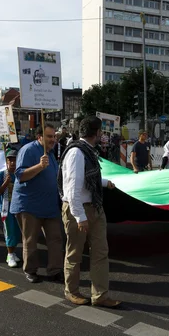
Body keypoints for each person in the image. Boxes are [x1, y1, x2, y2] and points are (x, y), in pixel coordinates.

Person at [58, 116, 121, 308]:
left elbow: (86, 180)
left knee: (100, 252)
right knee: (75, 254)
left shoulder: (87, 151)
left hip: (94, 206)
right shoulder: (77, 152)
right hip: (79, 209)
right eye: (101, 131)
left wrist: (104, 183)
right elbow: (72, 189)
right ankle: (72, 291)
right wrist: (80, 217)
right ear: (98, 133)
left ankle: (100, 295)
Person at [11, 123, 64, 284]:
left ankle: (55, 270)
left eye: (54, 136)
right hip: (29, 206)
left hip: (50, 205)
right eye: (49, 136)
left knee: (55, 239)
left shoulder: (52, 153)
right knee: (30, 240)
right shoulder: (28, 150)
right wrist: (40, 166)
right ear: (39, 137)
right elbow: (20, 175)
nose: (53, 139)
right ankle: (31, 270)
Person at [0, 150, 22, 268]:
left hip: (19, 207)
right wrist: (5, 183)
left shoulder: (20, 173)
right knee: (10, 230)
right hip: (7, 207)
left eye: (14, 160)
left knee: (17, 231)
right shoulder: (2, 174)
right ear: (6, 162)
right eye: (10, 160)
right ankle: (9, 254)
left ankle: (13, 251)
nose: (12, 162)